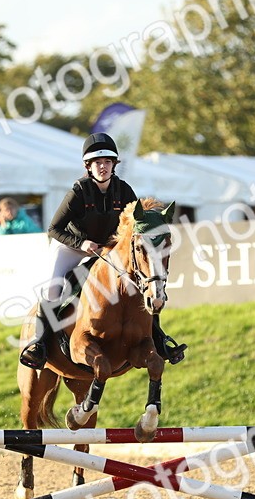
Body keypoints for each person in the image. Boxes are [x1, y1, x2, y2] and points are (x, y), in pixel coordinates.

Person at [18, 132, 186, 369]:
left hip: (107, 250)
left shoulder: (124, 191)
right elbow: (53, 228)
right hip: (72, 247)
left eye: (107, 162)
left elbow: (134, 228)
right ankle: (39, 345)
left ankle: (160, 341)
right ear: (88, 166)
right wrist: (81, 243)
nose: (103, 167)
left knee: (143, 287)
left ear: (113, 165)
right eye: (97, 163)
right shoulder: (78, 192)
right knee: (54, 289)